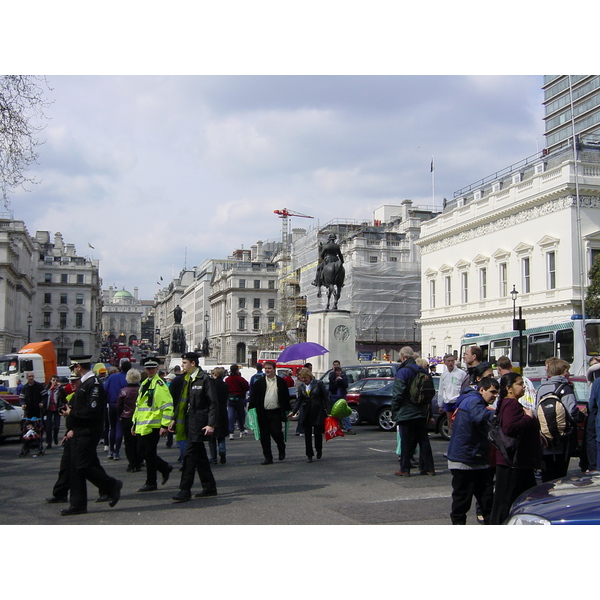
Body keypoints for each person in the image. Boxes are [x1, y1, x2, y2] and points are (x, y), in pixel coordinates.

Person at [59, 355, 122, 516]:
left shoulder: (92, 384)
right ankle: (78, 503)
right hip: (79, 430)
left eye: (73, 367)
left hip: (88, 431)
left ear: (78, 366)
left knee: (82, 466)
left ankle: (111, 485)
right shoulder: (86, 384)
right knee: (76, 468)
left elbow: (91, 411)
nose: (73, 370)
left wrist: (72, 412)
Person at [490, 372, 541, 525]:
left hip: (520, 462)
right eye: (519, 384)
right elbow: (510, 428)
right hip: (512, 462)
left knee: (528, 499)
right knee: (505, 503)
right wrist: (528, 417)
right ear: (509, 388)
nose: (523, 386)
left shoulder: (511, 403)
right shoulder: (510, 403)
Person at [446, 377, 498, 525]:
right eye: (492, 392)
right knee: (463, 501)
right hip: (466, 460)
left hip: (475, 458)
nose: (494, 396)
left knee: (486, 500)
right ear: (482, 389)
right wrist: (499, 414)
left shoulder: (472, 400)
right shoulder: (474, 401)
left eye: (496, 393)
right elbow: (479, 417)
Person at [170, 352, 219, 502]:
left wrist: (211, 424)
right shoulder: (187, 379)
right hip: (188, 421)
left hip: (199, 422)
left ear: (193, 363)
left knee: (190, 456)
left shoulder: (204, 379)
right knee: (200, 457)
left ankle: (185, 490)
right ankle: (209, 487)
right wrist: (174, 418)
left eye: (184, 363)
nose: (182, 365)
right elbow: (181, 402)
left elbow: (213, 403)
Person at [535, 358, 586, 482]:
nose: (568, 373)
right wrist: (582, 417)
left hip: (546, 438)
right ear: (562, 371)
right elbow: (572, 412)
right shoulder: (565, 388)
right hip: (563, 439)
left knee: (547, 475)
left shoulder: (541, 388)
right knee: (560, 474)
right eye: (567, 370)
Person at [391, 346, 435, 477]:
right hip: (421, 410)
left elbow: (398, 393)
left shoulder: (403, 371)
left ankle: (404, 468)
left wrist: (395, 410)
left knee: (405, 441)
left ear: (403, 357)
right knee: (423, 440)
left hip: (406, 411)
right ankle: (428, 468)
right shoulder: (422, 370)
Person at [132, 358, 174, 492]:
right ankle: (164, 467)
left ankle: (151, 482)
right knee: (141, 453)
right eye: (148, 368)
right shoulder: (144, 383)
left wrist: (164, 425)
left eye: (152, 368)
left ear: (156, 369)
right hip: (142, 425)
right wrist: (134, 423)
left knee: (149, 454)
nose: (150, 371)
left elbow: (167, 406)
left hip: (153, 425)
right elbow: (139, 406)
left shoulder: (159, 384)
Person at [46, 374, 81, 504]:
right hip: (71, 434)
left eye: (74, 382)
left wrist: (74, 430)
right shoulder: (73, 395)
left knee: (88, 467)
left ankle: (109, 487)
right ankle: (60, 493)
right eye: (70, 382)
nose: (71, 384)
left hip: (80, 435)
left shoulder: (83, 395)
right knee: (65, 466)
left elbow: (86, 416)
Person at [248, 360, 291, 465]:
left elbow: (286, 397)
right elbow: (253, 396)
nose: (267, 370)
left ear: (274, 369)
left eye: (269, 368)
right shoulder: (259, 382)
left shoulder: (281, 382)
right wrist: (251, 409)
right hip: (263, 412)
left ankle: (281, 447)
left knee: (276, 432)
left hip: (276, 412)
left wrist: (288, 411)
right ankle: (268, 457)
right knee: (264, 436)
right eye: (266, 368)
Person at [291, 367, 329, 462]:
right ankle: (309, 454)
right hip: (306, 412)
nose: (303, 380)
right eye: (302, 378)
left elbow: (325, 398)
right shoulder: (302, 387)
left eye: (305, 378)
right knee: (307, 435)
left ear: (309, 376)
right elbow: (299, 400)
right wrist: (293, 412)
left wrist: (328, 411)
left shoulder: (318, 384)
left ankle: (319, 449)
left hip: (318, 411)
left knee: (317, 434)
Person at [104, 359, 131, 460]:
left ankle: (111, 450)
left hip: (111, 404)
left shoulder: (112, 377)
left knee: (112, 427)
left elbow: (105, 389)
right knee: (119, 428)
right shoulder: (128, 378)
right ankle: (116, 451)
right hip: (123, 406)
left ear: (120, 367)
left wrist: (107, 400)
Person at [116, 368, 142, 473]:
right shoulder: (141, 390)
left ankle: (132, 464)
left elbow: (118, 406)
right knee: (138, 441)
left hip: (126, 418)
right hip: (139, 418)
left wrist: (120, 414)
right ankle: (138, 462)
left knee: (128, 442)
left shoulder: (124, 391)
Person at [438, 354, 468, 436]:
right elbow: (441, 389)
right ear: (445, 363)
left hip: (457, 401)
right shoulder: (444, 375)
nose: (451, 363)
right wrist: (440, 404)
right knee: (450, 423)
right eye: (449, 361)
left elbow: (465, 387)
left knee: (459, 422)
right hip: (447, 401)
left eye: (452, 361)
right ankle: (452, 438)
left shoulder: (461, 373)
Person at [208, 367, 229, 465]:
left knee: (212, 437)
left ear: (214, 374)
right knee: (221, 436)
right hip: (223, 411)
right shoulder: (225, 385)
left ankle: (213, 457)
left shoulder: (211, 385)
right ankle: (222, 451)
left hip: (212, 412)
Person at [329, 361, 354, 434]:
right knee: (334, 413)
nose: (338, 372)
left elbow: (345, 385)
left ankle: (348, 428)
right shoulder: (331, 376)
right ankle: (334, 428)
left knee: (344, 412)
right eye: (335, 366)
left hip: (342, 396)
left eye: (337, 366)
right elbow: (331, 387)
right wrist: (337, 381)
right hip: (334, 396)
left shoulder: (344, 376)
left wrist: (341, 380)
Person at [225, 364, 249, 440]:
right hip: (239, 398)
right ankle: (241, 429)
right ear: (237, 371)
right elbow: (247, 387)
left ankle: (231, 432)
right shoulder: (240, 379)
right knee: (240, 415)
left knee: (230, 416)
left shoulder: (227, 379)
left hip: (230, 398)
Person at [42, 375, 62, 449]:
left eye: (56, 380)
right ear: (50, 381)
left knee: (56, 426)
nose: (55, 382)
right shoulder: (47, 389)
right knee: (48, 427)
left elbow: (64, 396)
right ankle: (49, 442)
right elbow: (44, 398)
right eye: (53, 380)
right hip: (49, 409)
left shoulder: (59, 389)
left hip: (57, 409)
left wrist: (60, 388)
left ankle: (55, 437)